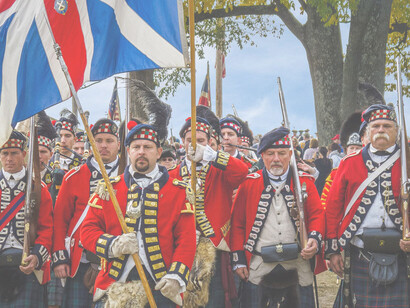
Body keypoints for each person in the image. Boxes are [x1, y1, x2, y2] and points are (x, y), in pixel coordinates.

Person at [80, 121, 196, 307]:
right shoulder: (108, 188)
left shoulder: (179, 191)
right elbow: (87, 232)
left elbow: (187, 240)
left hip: (162, 282)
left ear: (158, 152)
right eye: (136, 147)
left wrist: (177, 275)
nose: (141, 151)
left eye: (147, 147)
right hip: (115, 282)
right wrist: (113, 244)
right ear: (128, 150)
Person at [325, 104, 410, 307]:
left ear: (396, 131)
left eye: (387, 126)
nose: (381, 130)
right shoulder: (349, 162)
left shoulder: (407, 161)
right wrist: (332, 249)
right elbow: (333, 208)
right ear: (368, 131)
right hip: (360, 251)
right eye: (376, 126)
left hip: (400, 252)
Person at [230, 127, 324, 307]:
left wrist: (314, 239)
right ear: (262, 156)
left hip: (297, 264)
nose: (276, 159)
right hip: (259, 265)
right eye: (270, 153)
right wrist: (239, 259)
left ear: (290, 155)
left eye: (281, 153)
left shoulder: (305, 181)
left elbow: (317, 215)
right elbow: (238, 224)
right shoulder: (249, 183)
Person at [169, 116, 248, 307]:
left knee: (216, 301)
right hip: (181, 249)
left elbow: (242, 172)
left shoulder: (219, 169)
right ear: (182, 142)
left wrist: (212, 155)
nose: (194, 145)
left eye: (201, 141)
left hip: (215, 247)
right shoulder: (172, 175)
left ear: (209, 143)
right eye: (189, 140)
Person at [52, 119, 121, 307]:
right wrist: (60, 259)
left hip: (119, 261)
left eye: (109, 140)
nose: (104, 145)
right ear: (92, 144)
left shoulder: (128, 175)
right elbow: (60, 220)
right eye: (98, 140)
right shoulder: (74, 176)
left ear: (119, 144)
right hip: (81, 260)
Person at [0, 131, 53, 307]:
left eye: (14, 153)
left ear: (24, 154)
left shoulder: (38, 189)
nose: (9, 158)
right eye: (4, 153)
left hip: (27, 266)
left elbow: (47, 229)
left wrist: (37, 256)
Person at [36, 111, 57, 190]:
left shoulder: (55, 177)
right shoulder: (22, 176)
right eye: (35, 152)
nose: (38, 156)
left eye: (43, 152)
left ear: (51, 154)